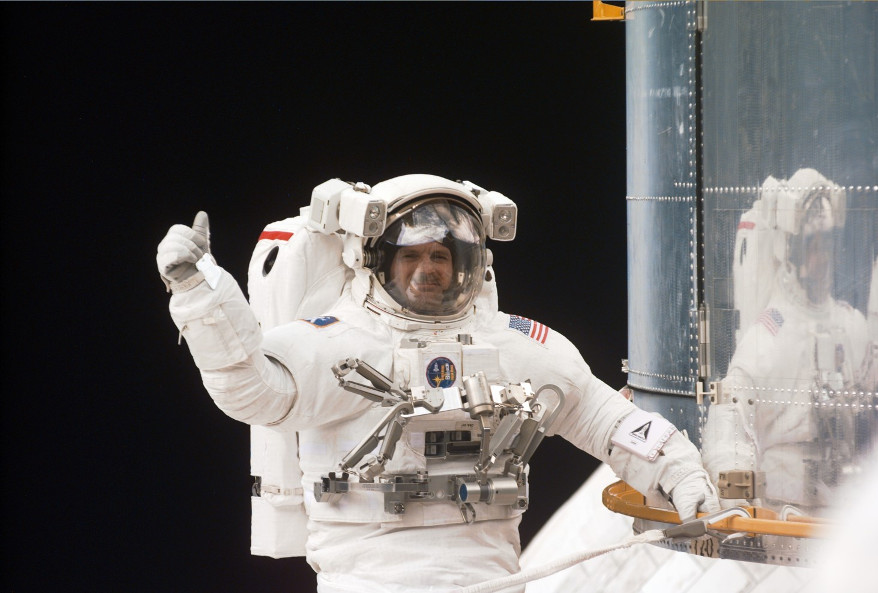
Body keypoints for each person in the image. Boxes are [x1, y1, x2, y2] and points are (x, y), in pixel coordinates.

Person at [157, 174, 719, 592]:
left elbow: (608, 419)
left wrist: (680, 472)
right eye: (412, 256)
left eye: (441, 255)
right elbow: (254, 391)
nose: (429, 268)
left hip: (489, 579)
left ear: (468, 263)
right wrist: (199, 293)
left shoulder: (512, 344)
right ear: (378, 261)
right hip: (372, 579)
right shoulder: (334, 341)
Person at [703, 168, 878, 512]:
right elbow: (731, 416)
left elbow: (868, 384)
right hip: (781, 516)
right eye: (812, 245)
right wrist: (738, 499)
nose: (822, 258)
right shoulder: (769, 334)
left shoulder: (849, 324)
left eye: (828, 243)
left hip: (838, 513)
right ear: (787, 248)